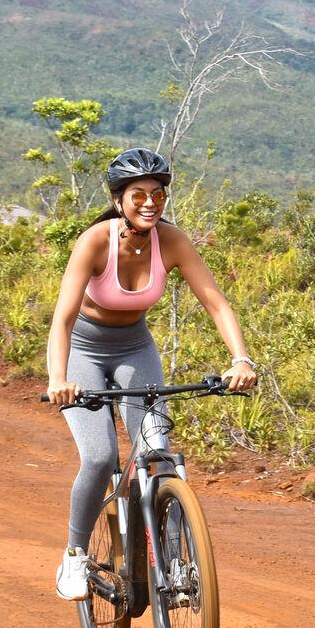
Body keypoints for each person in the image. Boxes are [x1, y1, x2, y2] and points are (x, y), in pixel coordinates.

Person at [44, 148, 257, 600]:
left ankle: (177, 566)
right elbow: (62, 319)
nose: (149, 203)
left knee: (157, 455)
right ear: (119, 200)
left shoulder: (173, 241)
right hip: (84, 352)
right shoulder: (95, 241)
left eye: (157, 195)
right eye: (137, 194)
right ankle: (75, 556)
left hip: (135, 349)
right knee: (100, 457)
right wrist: (58, 378)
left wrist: (242, 359)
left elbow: (216, 302)